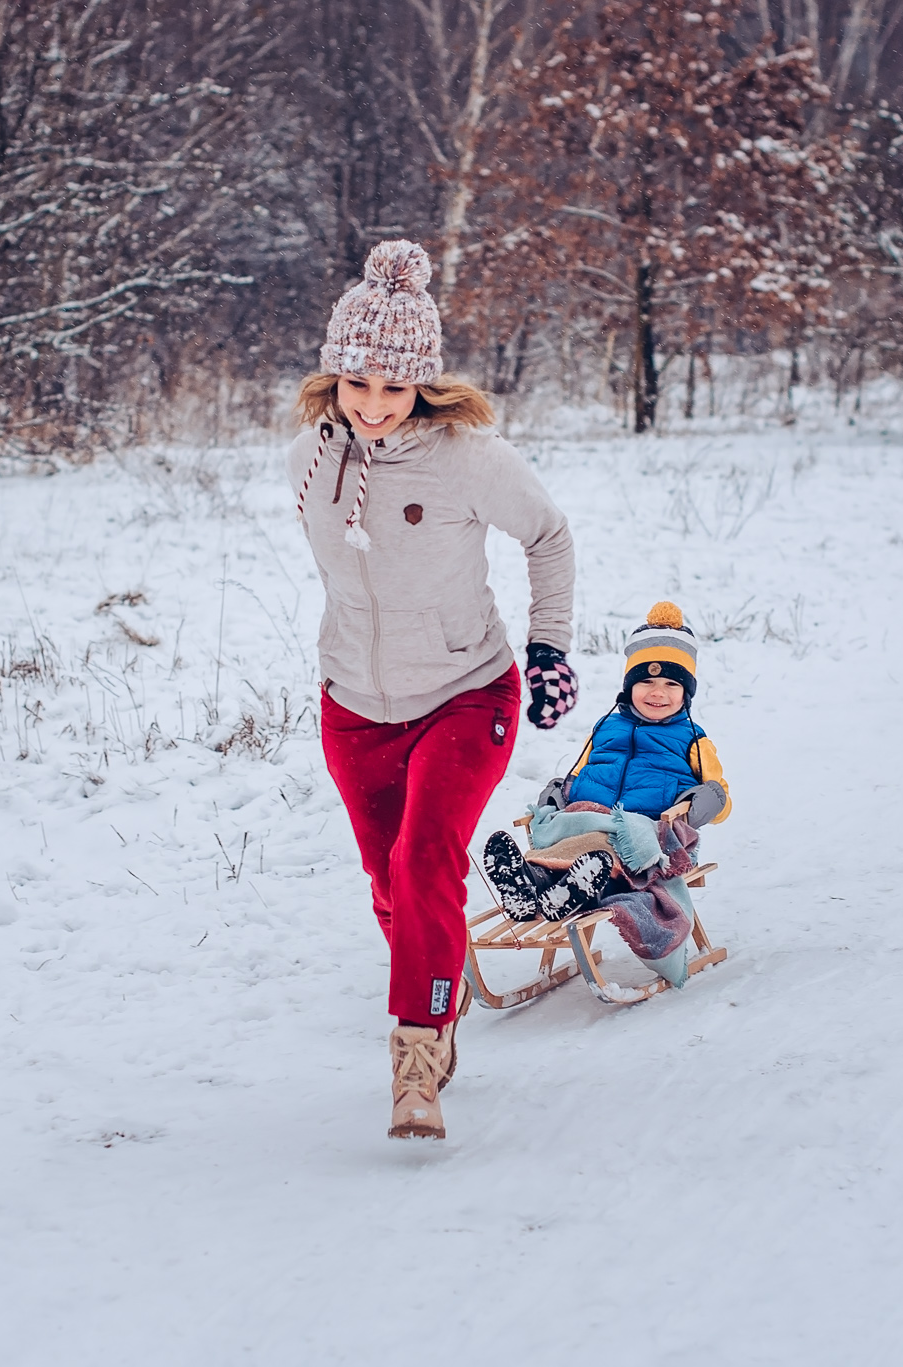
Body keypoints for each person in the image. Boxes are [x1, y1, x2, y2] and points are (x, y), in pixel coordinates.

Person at [292, 240, 577, 1141]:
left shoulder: (468, 456)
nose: (373, 406)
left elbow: (550, 535)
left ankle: (417, 1055)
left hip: (464, 692)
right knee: (390, 882)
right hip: (354, 704)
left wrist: (548, 650)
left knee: (424, 863)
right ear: (336, 376)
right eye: (357, 384)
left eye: (393, 387)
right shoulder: (308, 456)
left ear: (423, 383)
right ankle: (438, 991)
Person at [480, 602, 731, 981]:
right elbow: (579, 773)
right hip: (586, 817)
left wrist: (702, 802)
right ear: (629, 686)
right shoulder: (605, 729)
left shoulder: (692, 740)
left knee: (602, 842)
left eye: (671, 684)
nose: (657, 693)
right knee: (574, 829)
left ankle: (559, 885)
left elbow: (720, 795)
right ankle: (536, 885)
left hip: (640, 832)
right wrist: (557, 796)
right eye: (646, 682)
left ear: (686, 693)